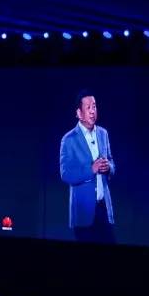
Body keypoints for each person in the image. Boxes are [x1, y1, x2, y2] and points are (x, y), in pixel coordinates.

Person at [59, 92, 115, 243]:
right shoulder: (68, 139)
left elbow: (111, 161)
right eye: (88, 107)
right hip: (83, 214)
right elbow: (65, 174)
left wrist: (108, 167)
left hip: (104, 209)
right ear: (79, 113)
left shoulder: (103, 133)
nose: (92, 111)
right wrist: (91, 169)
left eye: (94, 107)